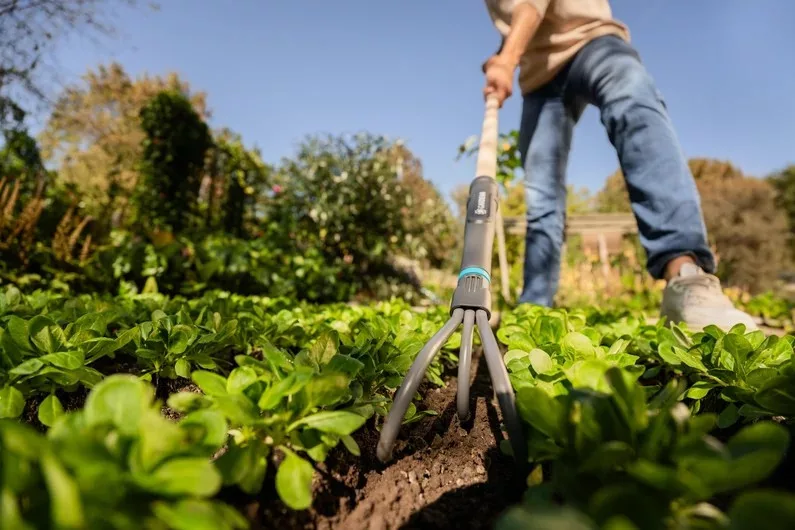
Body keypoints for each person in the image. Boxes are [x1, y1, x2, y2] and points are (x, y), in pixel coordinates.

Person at [481, 0, 758, 331]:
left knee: (636, 109)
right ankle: (534, 310)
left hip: (592, 40)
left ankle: (685, 275)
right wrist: (503, 51)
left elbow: (530, 5)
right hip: (539, 79)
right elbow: (521, 18)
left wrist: (507, 60)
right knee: (541, 193)